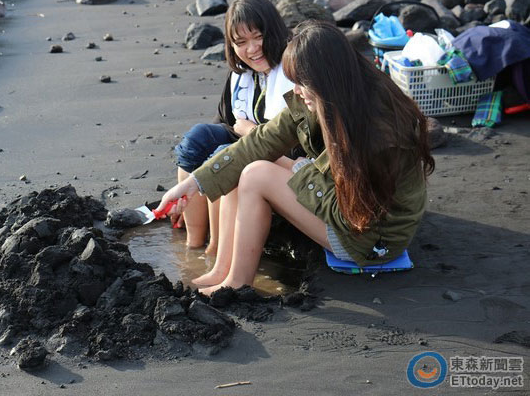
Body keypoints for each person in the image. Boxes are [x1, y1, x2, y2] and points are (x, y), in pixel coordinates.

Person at [159, 21, 435, 295]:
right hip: (344, 207)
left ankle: (236, 283)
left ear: (326, 78)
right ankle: (221, 271)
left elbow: (349, 214)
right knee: (247, 162)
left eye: (301, 83)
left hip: (371, 240)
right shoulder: (333, 96)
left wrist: (297, 166)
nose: (297, 92)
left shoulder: (378, 132)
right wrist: (194, 183)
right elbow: (260, 140)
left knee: (257, 175)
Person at [173, 0, 294, 255]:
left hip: (284, 161)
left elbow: (295, 142)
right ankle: (192, 243)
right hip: (247, 144)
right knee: (197, 139)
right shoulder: (241, 74)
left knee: (221, 156)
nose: (251, 49)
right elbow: (225, 123)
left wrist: (247, 131)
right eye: (241, 42)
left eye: (258, 37)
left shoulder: (294, 71)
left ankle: (216, 250)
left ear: (274, 31)